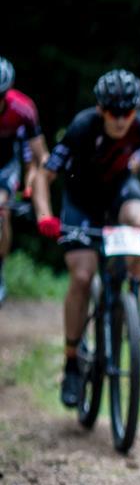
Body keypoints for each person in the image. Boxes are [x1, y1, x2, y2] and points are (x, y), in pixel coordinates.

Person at [32, 69, 140, 408]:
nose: (120, 119)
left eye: (127, 112)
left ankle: (133, 294)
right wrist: (45, 216)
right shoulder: (82, 127)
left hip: (120, 194)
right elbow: (44, 176)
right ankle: (71, 362)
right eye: (113, 112)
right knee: (82, 276)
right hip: (81, 201)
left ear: (135, 110)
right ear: (101, 109)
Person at [0, 56, 50, 305]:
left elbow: (42, 157)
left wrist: (34, 186)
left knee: (1, 208)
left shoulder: (23, 109)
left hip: (6, 165)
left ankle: (0, 269)